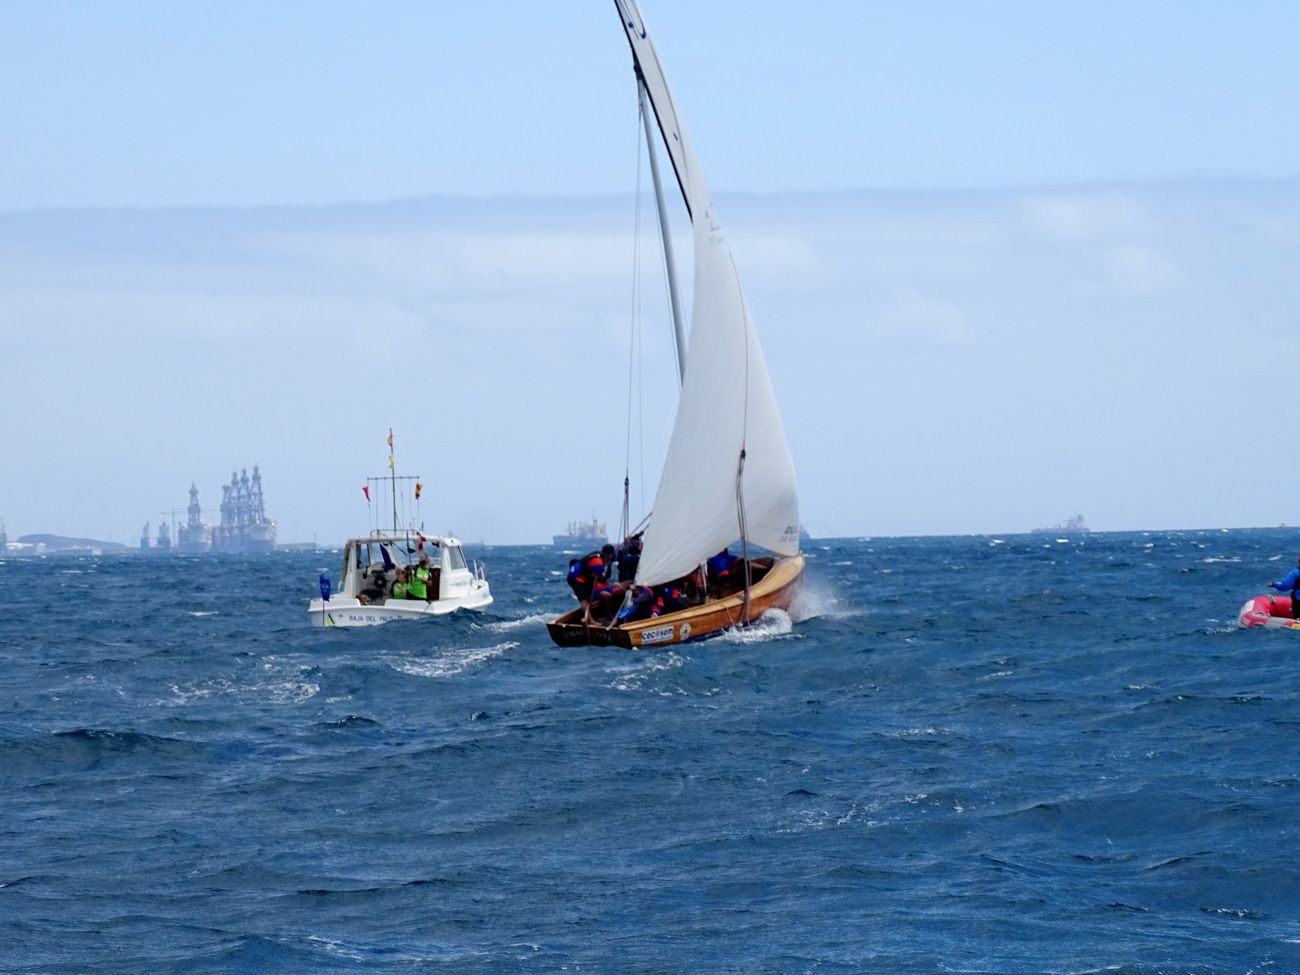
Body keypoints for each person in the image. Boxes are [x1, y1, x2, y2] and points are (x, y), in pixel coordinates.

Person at [567, 544, 616, 621]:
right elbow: (594, 582)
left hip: (581, 577)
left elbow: (604, 578)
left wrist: (610, 566)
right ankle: (591, 621)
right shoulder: (598, 563)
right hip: (576, 578)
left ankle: (593, 616)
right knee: (584, 600)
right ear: (609, 555)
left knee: (588, 597)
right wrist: (591, 595)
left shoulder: (600, 556)